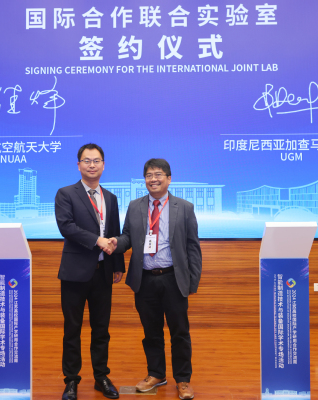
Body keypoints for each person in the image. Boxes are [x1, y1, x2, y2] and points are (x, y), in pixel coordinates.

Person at [107, 158, 202, 400]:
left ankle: (183, 380)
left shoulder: (185, 207)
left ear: (169, 179)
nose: (153, 179)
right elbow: (128, 236)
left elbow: (192, 246)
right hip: (145, 279)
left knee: (180, 332)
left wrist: (193, 281)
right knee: (151, 332)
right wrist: (117, 243)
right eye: (149, 175)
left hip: (173, 279)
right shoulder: (135, 206)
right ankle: (156, 374)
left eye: (158, 174)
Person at [55, 143, 125, 400]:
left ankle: (101, 377)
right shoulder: (66, 193)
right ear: (78, 165)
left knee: (101, 329)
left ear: (103, 165)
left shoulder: (111, 198)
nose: (92, 165)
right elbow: (66, 227)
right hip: (74, 273)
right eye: (87, 160)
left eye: (96, 161)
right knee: (72, 329)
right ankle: (71, 380)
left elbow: (115, 233)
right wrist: (97, 240)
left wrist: (118, 265)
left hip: (103, 272)